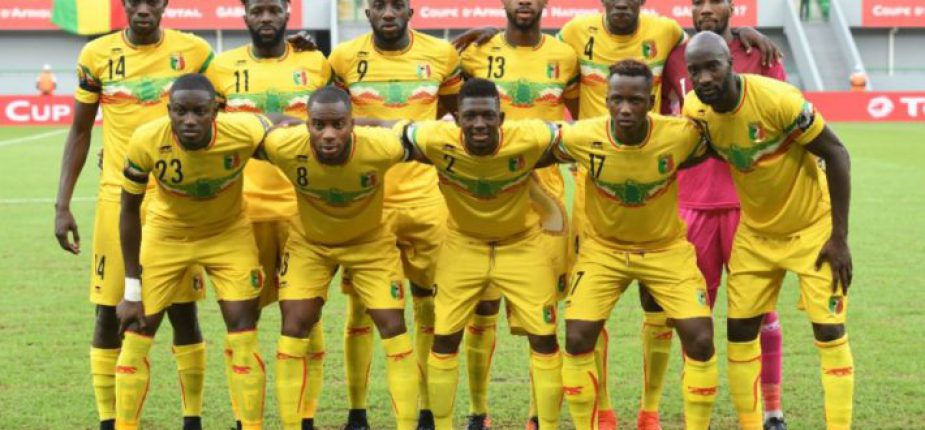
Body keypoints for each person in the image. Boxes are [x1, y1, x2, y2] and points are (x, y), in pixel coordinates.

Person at [53, 1, 213, 428]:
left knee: (184, 311)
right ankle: (110, 421)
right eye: (135, 1)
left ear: (165, 4)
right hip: (117, 198)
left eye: (153, 1)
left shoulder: (195, 51)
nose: (144, 8)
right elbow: (80, 130)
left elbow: (227, 105)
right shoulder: (96, 55)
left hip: (177, 200)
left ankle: (192, 419)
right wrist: (62, 205)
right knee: (109, 312)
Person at [684, 31, 854, 430]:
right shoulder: (696, 109)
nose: (704, 78)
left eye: (713, 67)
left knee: (829, 331)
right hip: (756, 233)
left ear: (730, 63)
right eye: (695, 70)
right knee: (740, 330)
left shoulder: (779, 100)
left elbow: (837, 153)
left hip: (811, 230)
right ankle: (750, 423)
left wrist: (839, 237)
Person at [556, 59, 719, 430]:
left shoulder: (680, 134)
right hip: (604, 250)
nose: (625, 108)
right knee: (577, 336)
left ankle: (652, 413)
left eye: (635, 100)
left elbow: (724, 140)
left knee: (700, 339)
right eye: (617, 99)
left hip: (665, 250)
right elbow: (535, 147)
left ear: (651, 100)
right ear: (606, 100)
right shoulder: (582, 136)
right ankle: (595, 420)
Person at [115, 74, 278, 430]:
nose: (189, 120)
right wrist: (131, 290)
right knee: (137, 332)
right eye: (180, 111)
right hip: (167, 235)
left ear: (215, 112)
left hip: (227, 234)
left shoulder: (242, 130)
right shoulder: (146, 140)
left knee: (243, 331)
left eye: (199, 112)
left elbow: (278, 123)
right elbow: (128, 210)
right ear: (169, 110)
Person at [327, 1, 462, 428]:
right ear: (367, 12)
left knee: (428, 304)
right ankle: (357, 411)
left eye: (396, 5)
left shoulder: (441, 55)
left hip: (425, 198)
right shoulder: (343, 58)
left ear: (410, 11)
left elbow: (453, 115)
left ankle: (426, 408)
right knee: (360, 308)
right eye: (379, 5)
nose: (388, 12)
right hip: (369, 199)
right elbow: (333, 117)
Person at [402, 78, 563, 430]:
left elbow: (579, 135)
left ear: (501, 118)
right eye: (470, 116)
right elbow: (389, 131)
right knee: (444, 337)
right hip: (463, 246)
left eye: (488, 116)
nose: (479, 124)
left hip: (522, 246)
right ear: (457, 118)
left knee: (544, 338)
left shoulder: (530, 136)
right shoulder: (434, 139)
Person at [259, 85, 421, 430]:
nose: (329, 134)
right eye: (319, 125)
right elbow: (258, 127)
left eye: (338, 124)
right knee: (294, 325)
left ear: (352, 123)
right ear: (307, 124)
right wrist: (281, 121)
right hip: (311, 244)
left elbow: (420, 140)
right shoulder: (284, 145)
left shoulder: (382, 147)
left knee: (393, 326)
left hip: (370, 244)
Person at [660, 1, 789, 428]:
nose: (704, 8)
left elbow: (784, 122)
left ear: (732, 5)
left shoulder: (761, 54)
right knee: (693, 315)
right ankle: (696, 411)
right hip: (691, 204)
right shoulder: (674, 57)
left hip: (749, 205)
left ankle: (771, 411)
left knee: (762, 312)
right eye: (696, 1)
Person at [205, 1, 332, 428]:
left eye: (273, 9)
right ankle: (247, 420)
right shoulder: (221, 68)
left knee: (306, 319)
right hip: (244, 212)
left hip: (303, 210)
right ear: (244, 15)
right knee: (243, 322)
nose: (265, 17)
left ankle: (304, 417)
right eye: (257, 10)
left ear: (287, 12)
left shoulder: (315, 63)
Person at [457, 0, 578, 427]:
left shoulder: (565, 56)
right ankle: (478, 412)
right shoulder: (476, 53)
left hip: (546, 199)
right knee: (481, 309)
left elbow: (583, 122)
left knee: (541, 317)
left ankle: (536, 416)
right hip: (486, 192)